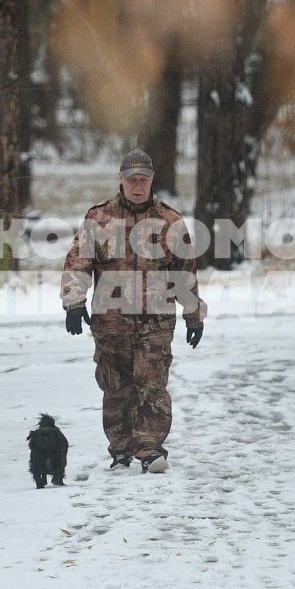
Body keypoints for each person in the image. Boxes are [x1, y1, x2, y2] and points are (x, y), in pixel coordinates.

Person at [60, 149, 206, 473]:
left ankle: (150, 450)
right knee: (116, 387)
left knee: (152, 385)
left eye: (144, 179)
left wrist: (193, 313)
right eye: (132, 180)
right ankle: (121, 449)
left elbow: (185, 272)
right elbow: (78, 263)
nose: (138, 186)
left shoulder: (170, 221)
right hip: (111, 321)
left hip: (156, 322)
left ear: (152, 180)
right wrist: (73, 302)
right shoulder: (98, 219)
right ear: (120, 179)